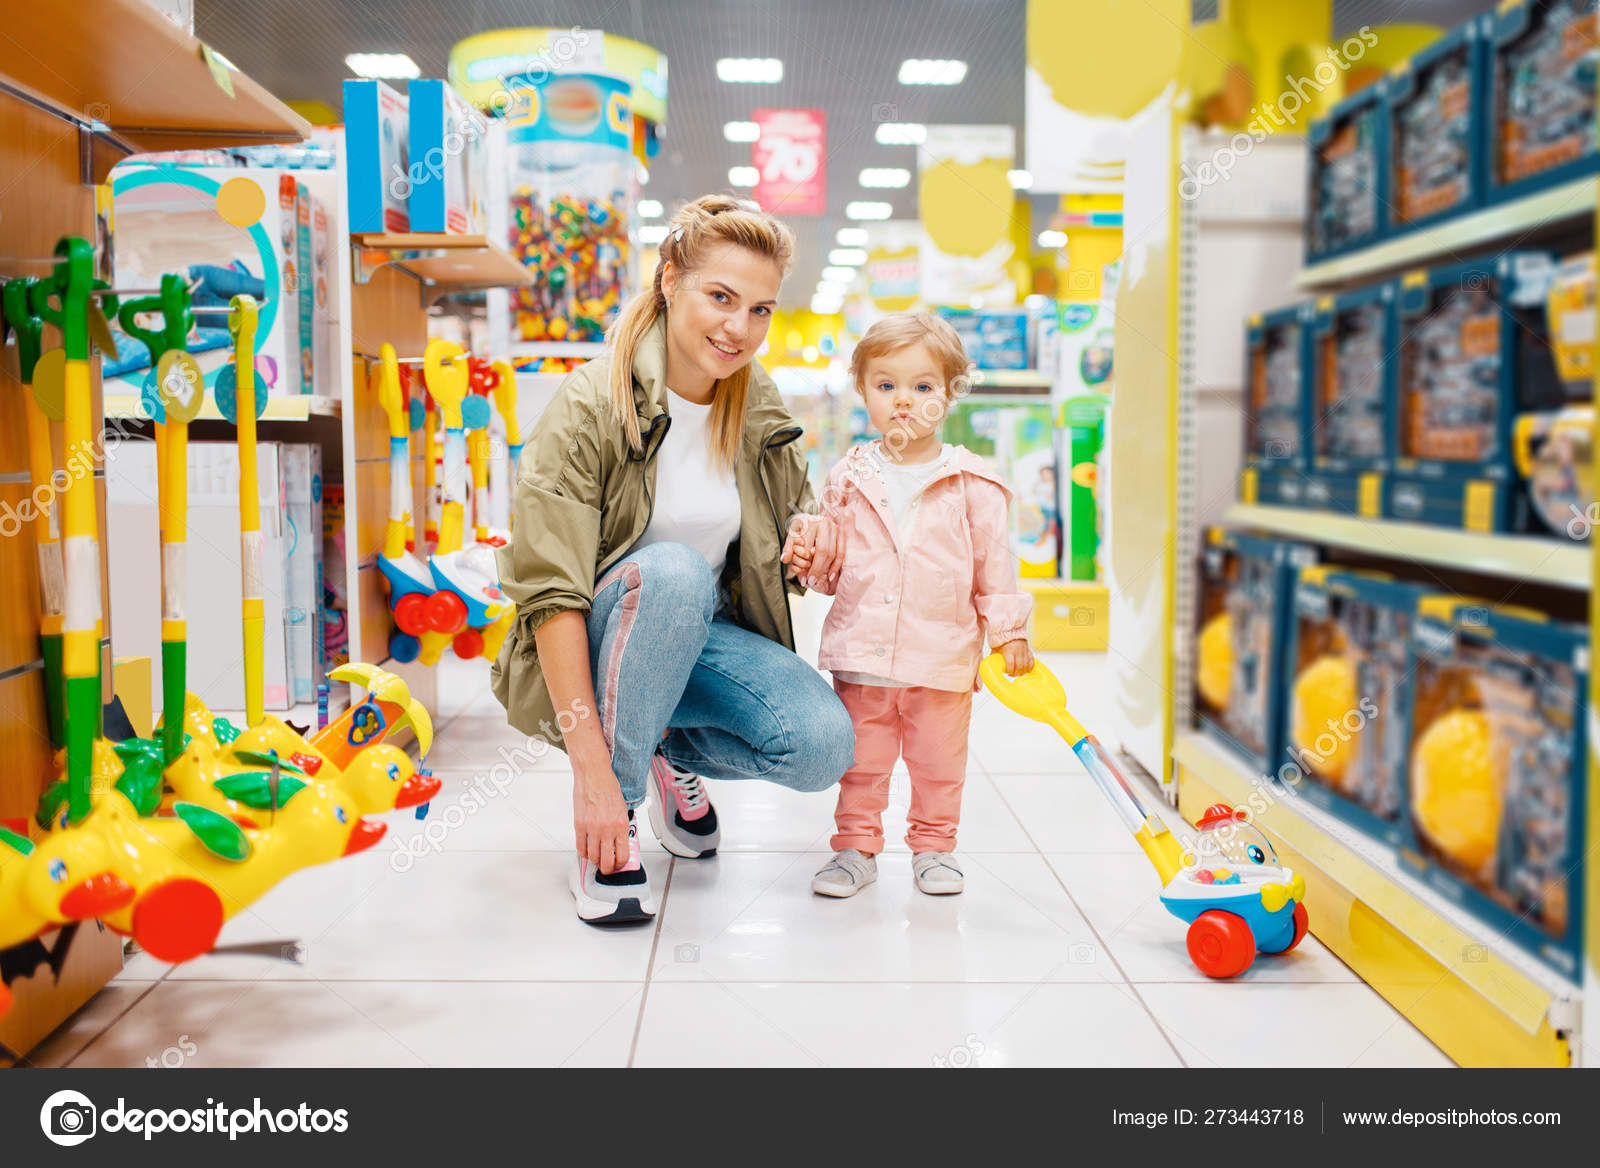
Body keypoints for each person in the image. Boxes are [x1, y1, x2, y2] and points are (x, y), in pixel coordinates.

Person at [492, 195, 855, 925]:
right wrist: (592, 775)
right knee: (675, 572)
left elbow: (796, 516)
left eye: (760, 310)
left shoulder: (755, 403)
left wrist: (813, 536)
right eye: (720, 297)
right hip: (593, 638)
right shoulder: (591, 404)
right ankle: (614, 819)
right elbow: (551, 595)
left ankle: (664, 749)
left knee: (821, 748)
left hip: (697, 637)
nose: (739, 328)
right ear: (668, 281)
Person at [789, 312, 1035, 898]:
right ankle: (854, 848)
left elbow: (995, 568)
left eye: (923, 387)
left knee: (937, 766)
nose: (905, 401)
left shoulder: (973, 484)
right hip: (862, 654)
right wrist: (809, 551)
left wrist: (1009, 632)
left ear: (949, 394)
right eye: (886, 385)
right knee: (862, 764)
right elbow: (832, 570)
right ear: (863, 391)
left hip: (941, 658)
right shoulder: (848, 476)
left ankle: (935, 849)